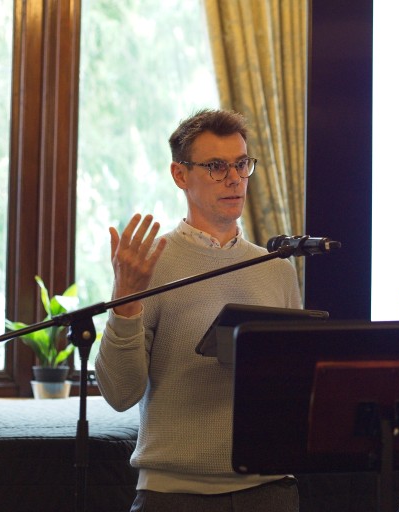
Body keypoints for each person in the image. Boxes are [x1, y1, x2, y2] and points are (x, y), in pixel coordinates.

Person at [95, 109, 302, 512]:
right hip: (174, 494)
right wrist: (125, 301)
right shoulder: (149, 264)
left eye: (242, 164)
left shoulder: (277, 269)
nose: (234, 178)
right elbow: (120, 394)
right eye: (215, 166)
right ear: (179, 175)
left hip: (270, 489)